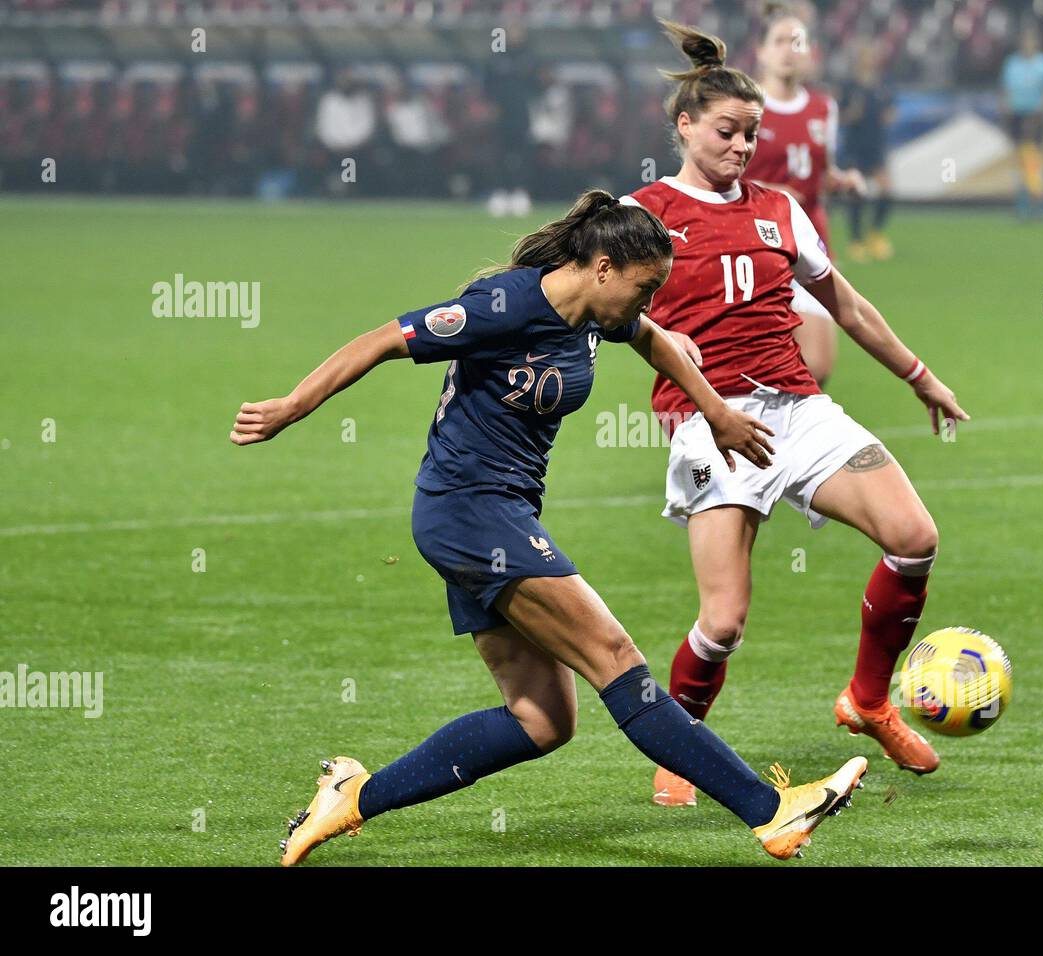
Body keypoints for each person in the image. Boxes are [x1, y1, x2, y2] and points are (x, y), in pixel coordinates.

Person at [230, 190, 867, 864]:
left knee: (542, 720)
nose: (647, 303)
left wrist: (714, 411)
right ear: (601, 266)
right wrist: (291, 407)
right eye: (644, 287)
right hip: (469, 510)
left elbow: (655, 341)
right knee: (617, 660)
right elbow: (384, 339)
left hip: (492, 514)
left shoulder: (596, 310)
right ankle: (772, 812)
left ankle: (352, 797)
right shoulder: (504, 306)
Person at [620, 21, 968, 809]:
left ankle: (869, 702)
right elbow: (607, 312)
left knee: (914, 538)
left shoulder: (780, 209)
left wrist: (919, 376)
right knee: (725, 620)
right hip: (708, 421)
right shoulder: (642, 214)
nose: (743, 147)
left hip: (798, 409)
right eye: (727, 132)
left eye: (751, 134)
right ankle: (681, 745)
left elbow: (843, 301)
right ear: (684, 125)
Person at [743, 2, 868, 386]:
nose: (788, 49)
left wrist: (841, 180)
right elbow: (717, 178)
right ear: (761, 51)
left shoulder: (822, 107)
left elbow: (819, 172)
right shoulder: (745, 106)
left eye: (796, 42)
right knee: (755, 369)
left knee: (818, 368)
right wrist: (768, 192)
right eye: (779, 41)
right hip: (755, 251)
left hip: (810, 245)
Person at [840, 40, 897, 262]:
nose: (870, 60)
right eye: (866, 55)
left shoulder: (882, 84)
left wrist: (888, 115)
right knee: (857, 193)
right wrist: (853, 113)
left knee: (887, 191)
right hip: (856, 146)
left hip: (875, 146)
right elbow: (843, 116)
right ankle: (855, 241)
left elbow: (890, 110)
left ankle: (874, 233)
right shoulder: (850, 86)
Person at [1001, 25, 1043, 218]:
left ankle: (1041, 204)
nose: (1027, 44)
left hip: (1037, 116)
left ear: (1037, 43)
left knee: (1038, 160)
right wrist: (1006, 113)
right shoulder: (1012, 64)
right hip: (1017, 115)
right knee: (1021, 160)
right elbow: (1006, 91)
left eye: (1030, 40)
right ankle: (1024, 203)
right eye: (1024, 41)